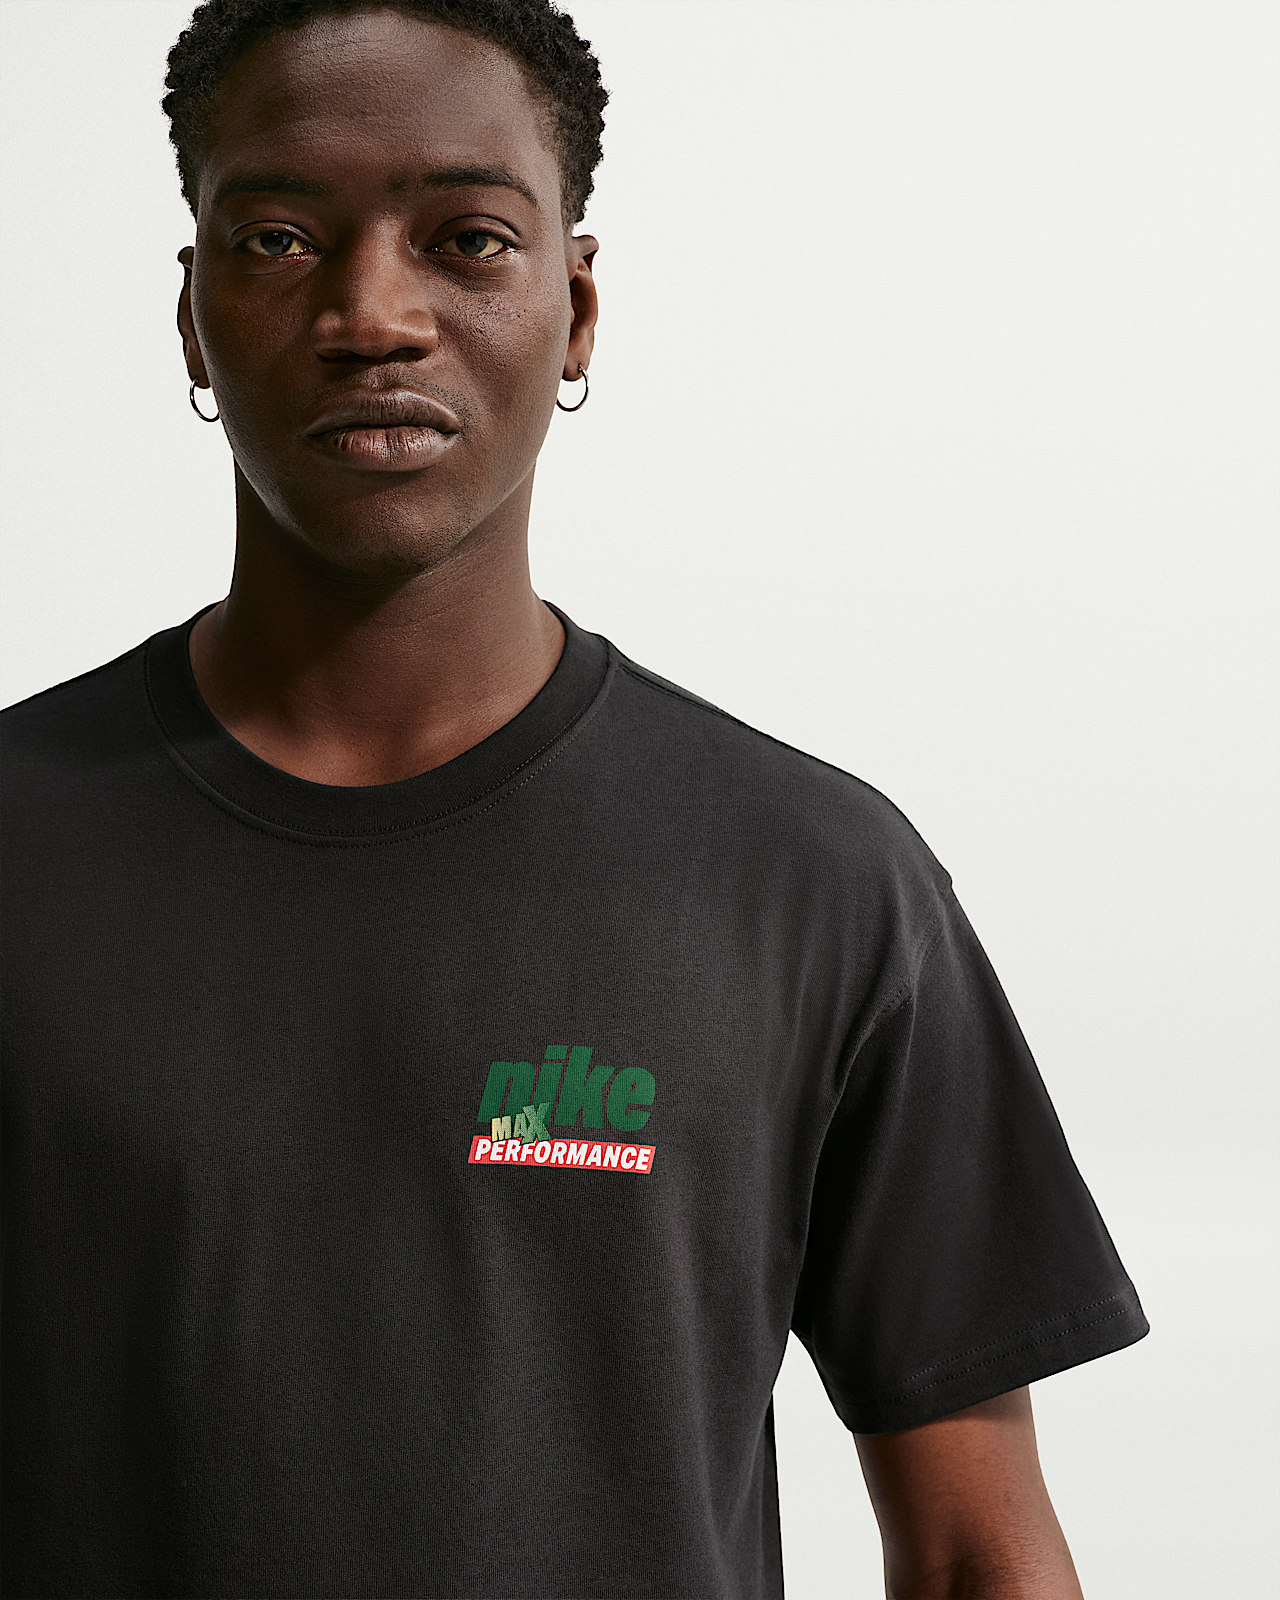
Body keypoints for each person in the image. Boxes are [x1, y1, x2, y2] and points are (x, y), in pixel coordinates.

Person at [0, 2, 1148, 1596]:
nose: (371, 313)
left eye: (467, 239)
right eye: (277, 239)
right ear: (194, 314)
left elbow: (978, 1557)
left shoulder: (812, 884)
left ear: (576, 307)